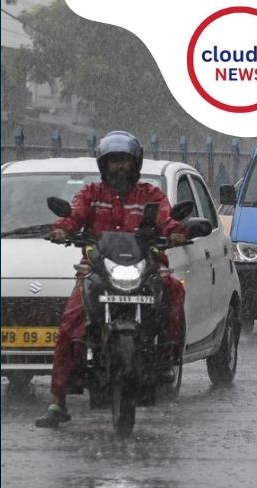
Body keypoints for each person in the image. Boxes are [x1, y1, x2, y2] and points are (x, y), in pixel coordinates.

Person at [36, 131, 189, 428]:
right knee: (70, 323)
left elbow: (167, 220)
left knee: (174, 291)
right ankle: (58, 401)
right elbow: (73, 216)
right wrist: (62, 229)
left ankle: (167, 358)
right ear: (103, 166)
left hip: (144, 268)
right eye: (114, 162)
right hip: (97, 269)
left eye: (124, 161)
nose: (119, 167)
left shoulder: (151, 196)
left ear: (135, 164)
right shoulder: (91, 194)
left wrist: (175, 232)